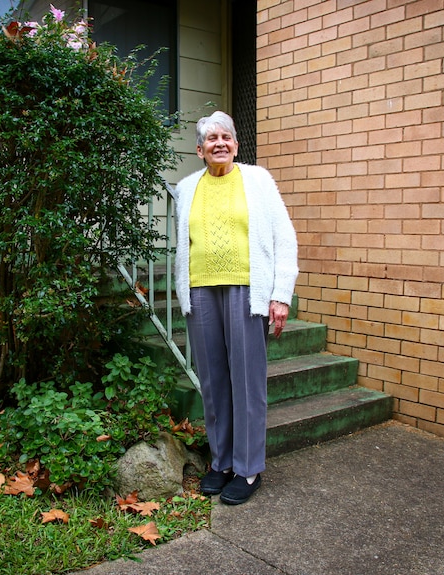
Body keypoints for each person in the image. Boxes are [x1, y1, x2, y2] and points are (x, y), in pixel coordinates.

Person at [174, 111, 299, 505]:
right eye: (211, 139)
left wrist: (280, 294)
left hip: (248, 290)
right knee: (213, 382)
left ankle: (247, 468)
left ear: (236, 145)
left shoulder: (258, 180)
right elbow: (185, 246)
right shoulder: (187, 187)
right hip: (201, 291)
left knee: (247, 381)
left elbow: (285, 237)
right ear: (199, 150)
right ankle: (221, 462)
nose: (219, 144)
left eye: (225, 137)